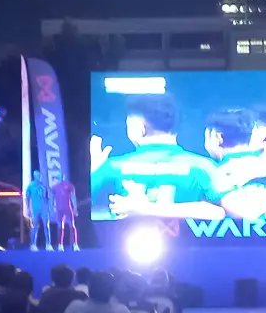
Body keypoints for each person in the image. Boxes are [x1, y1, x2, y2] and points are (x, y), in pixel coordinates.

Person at [93, 94, 224, 221]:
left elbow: (78, 209)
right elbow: (228, 213)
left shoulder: (112, 167)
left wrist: (92, 171)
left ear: (140, 127)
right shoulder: (204, 166)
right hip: (188, 242)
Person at [25, 170, 53, 250]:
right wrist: (27, 208)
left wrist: (49, 208)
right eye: (36, 175)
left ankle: (48, 244)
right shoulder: (30, 186)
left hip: (44, 209)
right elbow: (27, 197)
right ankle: (33, 244)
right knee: (34, 226)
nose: (38, 177)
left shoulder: (44, 186)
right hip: (35, 209)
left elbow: (48, 198)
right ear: (34, 176)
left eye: (39, 175)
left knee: (46, 226)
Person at [51, 178, 80, 251]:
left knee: (72, 225)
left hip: (68, 208)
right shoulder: (55, 187)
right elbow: (53, 198)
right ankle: (60, 245)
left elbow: (73, 197)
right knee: (60, 226)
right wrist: (52, 207)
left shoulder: (69, 186)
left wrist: (75, 208)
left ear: (64, 177)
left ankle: (75, 244)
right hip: (59, 209)